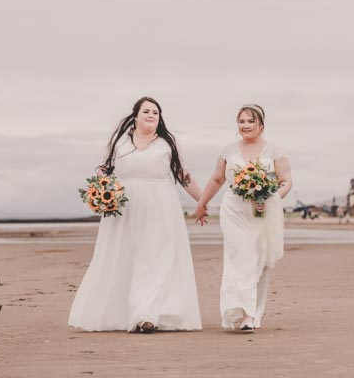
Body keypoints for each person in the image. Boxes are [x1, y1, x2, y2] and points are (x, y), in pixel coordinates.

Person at [68, 96, 203, 333]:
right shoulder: (119, 143)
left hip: (161, 208)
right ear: (136, 115)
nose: (151, 115)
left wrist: (202, 202)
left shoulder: (167, 143)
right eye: (147, 111)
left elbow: (183, 176)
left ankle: (147, 315)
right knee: (124, 258)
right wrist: (99, 190)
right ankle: (123, 312)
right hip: (124, 211)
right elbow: (104, 170)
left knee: (156, 259)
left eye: (156, 113)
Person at [195, 104, 292, 332]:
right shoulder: (228, 150)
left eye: (250, 121)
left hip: (261, 211)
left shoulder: (275, 151)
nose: (245, 126)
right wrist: (201, 203)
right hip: (233, 211)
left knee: (258, 258)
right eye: (241, 121)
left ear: (261, 124)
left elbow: (286, 182)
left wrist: (269, 197)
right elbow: (218, 179)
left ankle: (251, 314)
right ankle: (238, 311)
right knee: (239, 256)